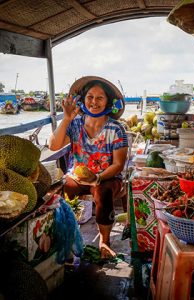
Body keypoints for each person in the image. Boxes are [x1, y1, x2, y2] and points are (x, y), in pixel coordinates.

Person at [49, 76, 128, 259]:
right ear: (83, 100)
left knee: (102, 192)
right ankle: (67, 234)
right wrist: (66, 120)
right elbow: (53, 146)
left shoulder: (116, 129)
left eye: (100, 98)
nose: (94, 102)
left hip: (108, 177)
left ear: (108, 101)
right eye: (90, 97)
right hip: (78, 176)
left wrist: (98, 178)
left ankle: (104, 241)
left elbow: (118, 164)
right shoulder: (75, 124)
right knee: (63, 189)